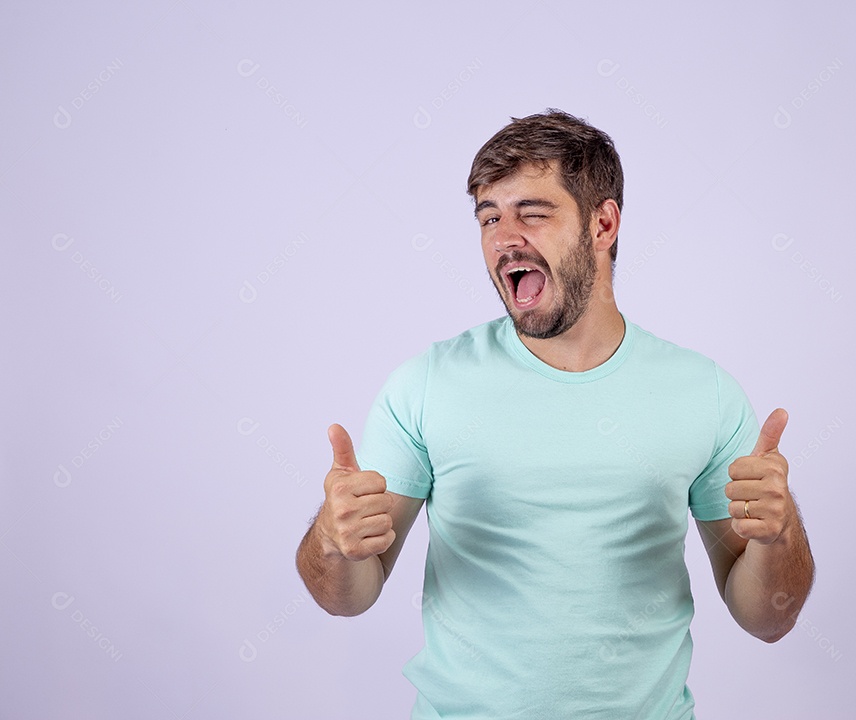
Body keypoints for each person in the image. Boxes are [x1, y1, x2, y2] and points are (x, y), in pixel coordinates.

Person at [296, 109, 814, 719]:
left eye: (532, 213)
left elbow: (766, 618)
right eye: (489, 217)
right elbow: (347, 598)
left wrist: (780, 535)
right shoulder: (427, 385)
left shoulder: (705, 393)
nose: (503, 237)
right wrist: (332, 541)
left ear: (603, 223)